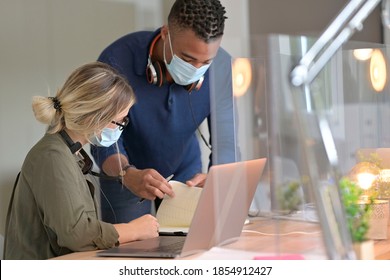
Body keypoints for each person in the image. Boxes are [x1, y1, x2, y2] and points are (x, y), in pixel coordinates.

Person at [91, 0, 236, 224]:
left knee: (191, 248)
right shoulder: (116, 59)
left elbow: (227, 139)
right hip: (124, 171)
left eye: (206, 62)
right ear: (166, 33)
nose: (196, 70)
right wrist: (127, 174)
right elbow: (103, 139)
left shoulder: (223, 66)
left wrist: (216, 177)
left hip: (186, 170)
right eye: (187, 59)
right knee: (130, 250)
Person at [3, 62, 160, 260]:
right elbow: (77, 234)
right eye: (121, 121)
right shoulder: (52, 156)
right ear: (95, 116)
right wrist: (134, 230)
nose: (122, 128)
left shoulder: (70, 154)